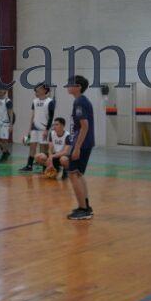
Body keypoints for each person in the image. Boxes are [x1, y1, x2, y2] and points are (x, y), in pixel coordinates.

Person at [66, 75, 95, 220]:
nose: (67, 86)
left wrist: (77, 147)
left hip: (82, 143)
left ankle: (83, 209)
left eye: (70, 84)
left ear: (78, 87)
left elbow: (85, 126)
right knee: (78, 174)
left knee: (72, 174)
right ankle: (86, 206)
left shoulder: (79, 102)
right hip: (85, 142)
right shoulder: (82, 101)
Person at [22, 84, 55, 172]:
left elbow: (51, 117)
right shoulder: (35, 101)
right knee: (32, 146)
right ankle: (29, 166)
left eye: (39, 88)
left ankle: (45, 167)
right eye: (37, 88)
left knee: (44, 148)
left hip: (44, 129)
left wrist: (47, 130)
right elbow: (33, 115)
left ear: (45, 90)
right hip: (34, 128)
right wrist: (29, 129)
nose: (37, 89)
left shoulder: (50, 101)